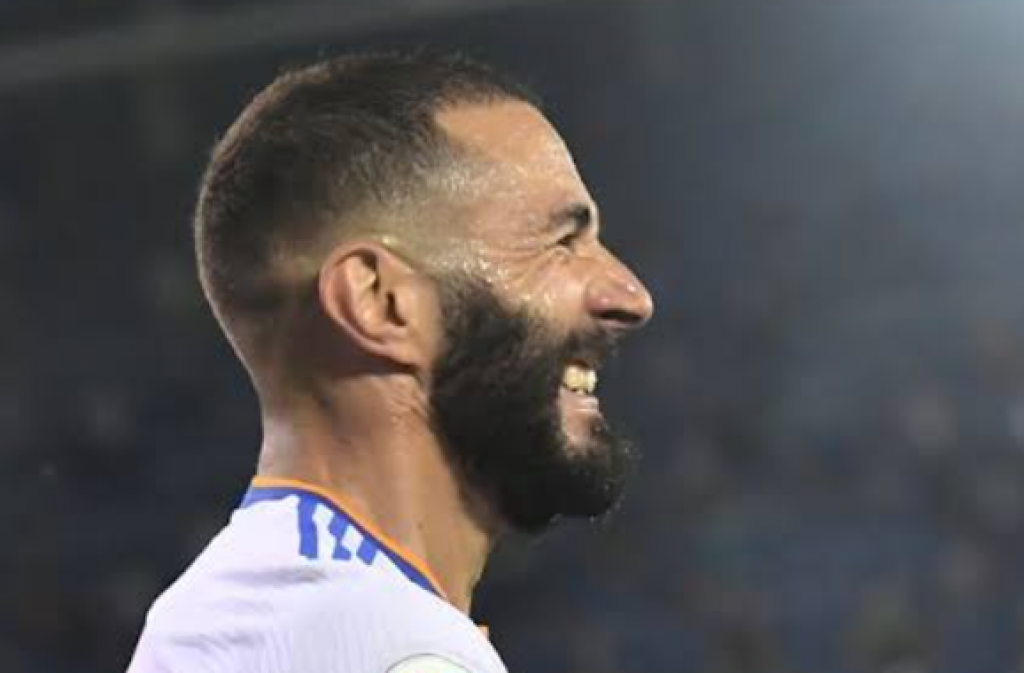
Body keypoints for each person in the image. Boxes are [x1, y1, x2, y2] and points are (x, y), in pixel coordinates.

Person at [127, 50, 654, 673]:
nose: (632, 296)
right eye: (562, 242)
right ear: (380, 302)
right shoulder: (385, 642)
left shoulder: (225, 615)